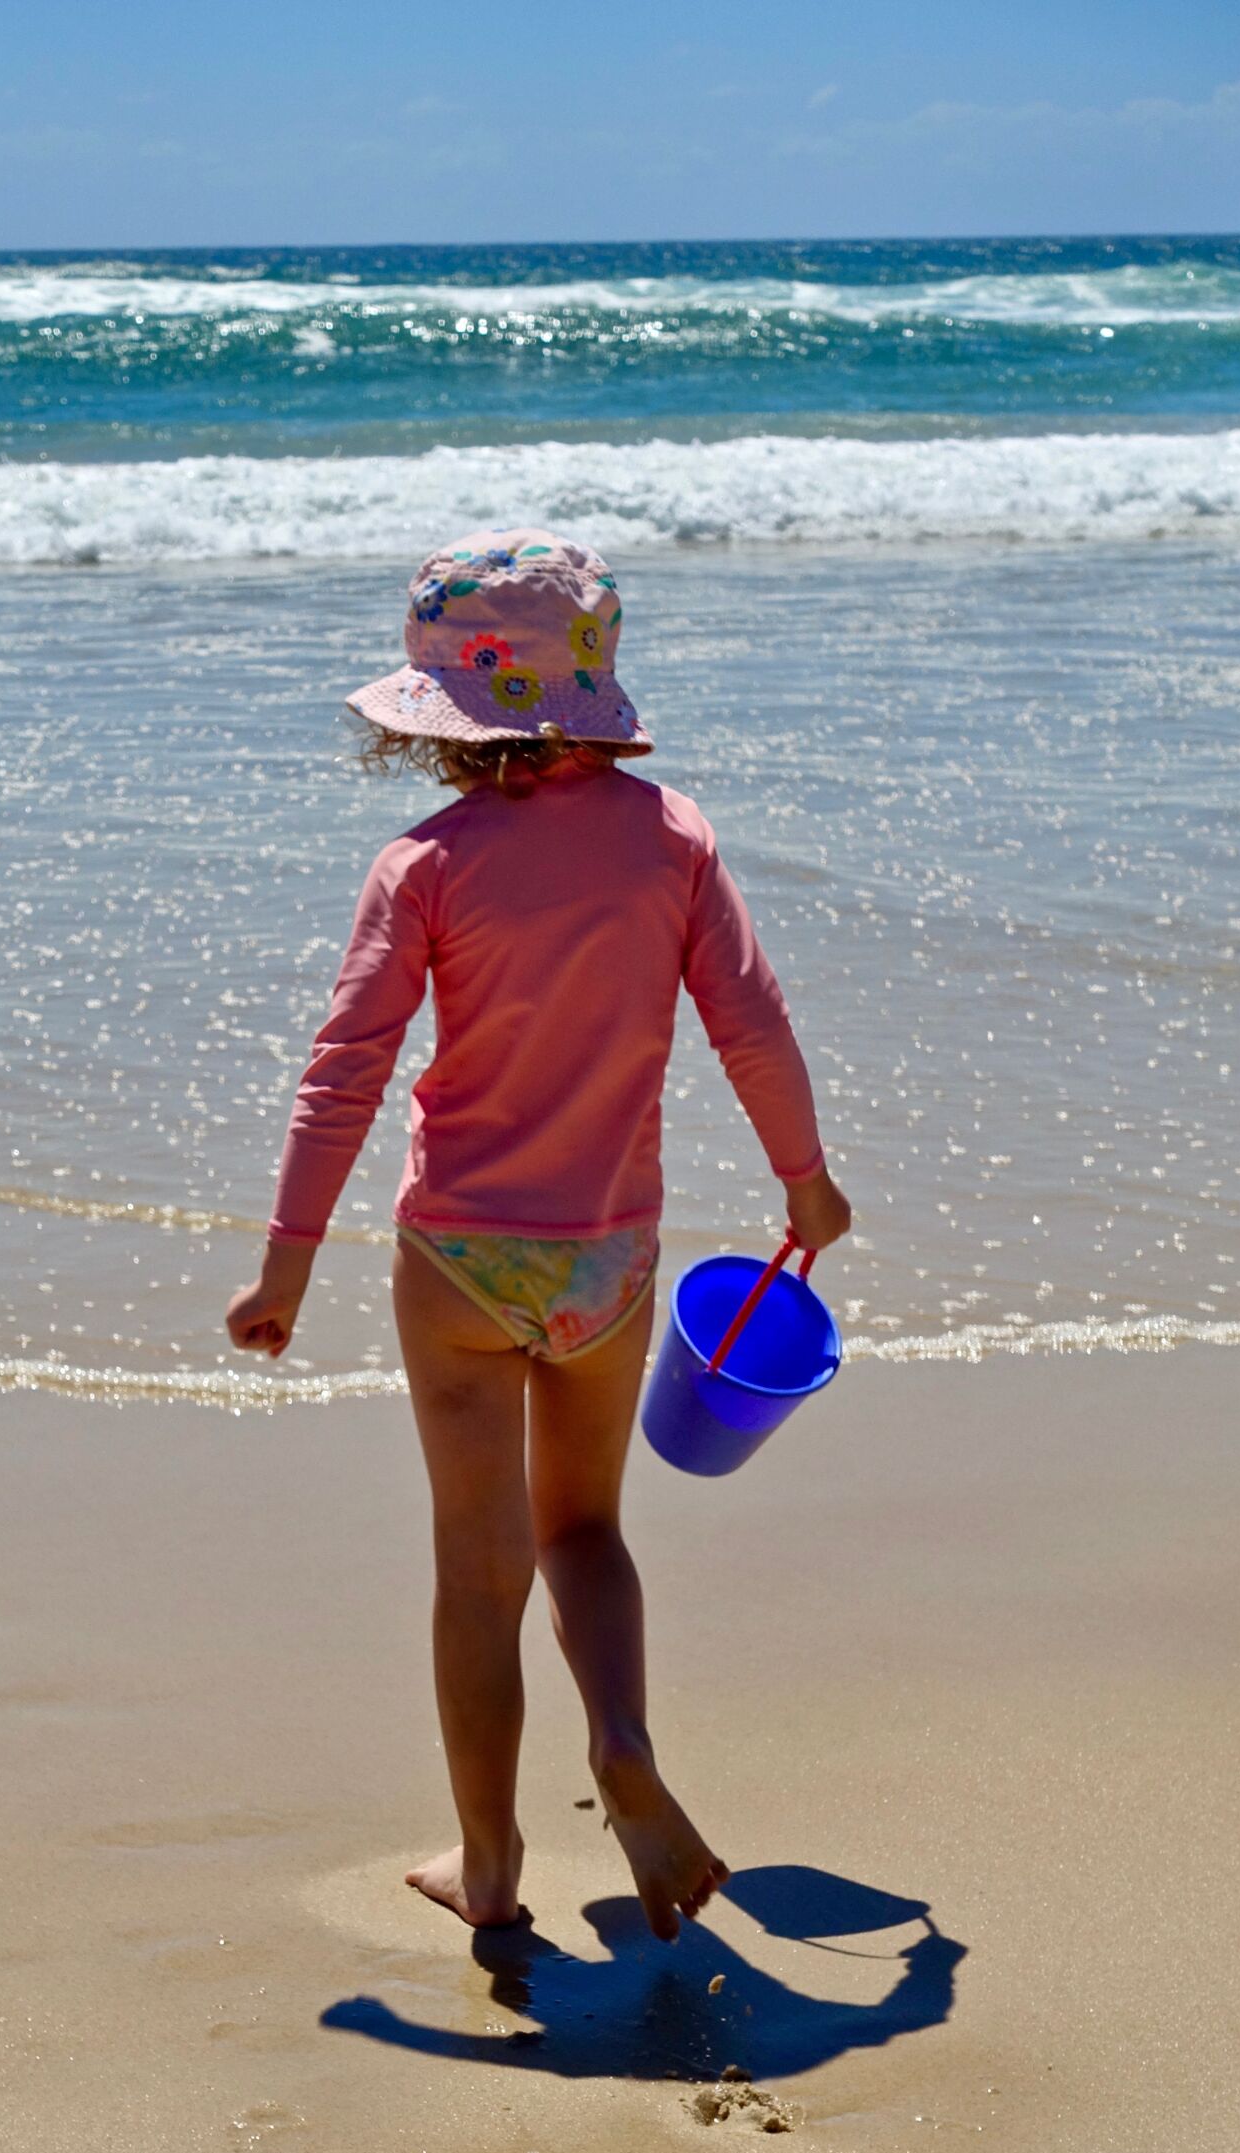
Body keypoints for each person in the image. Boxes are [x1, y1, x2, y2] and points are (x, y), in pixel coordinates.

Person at [226, 530, 850, 1940]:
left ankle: (492, 1864)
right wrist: (805, 1182)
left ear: (447, 717)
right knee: (585, 1528)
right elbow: (752, 1023)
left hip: (457, 1256)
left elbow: (348, 1067)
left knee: (475, 1559)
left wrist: (287, 1261)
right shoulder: (674, 838)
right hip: (608, 1260)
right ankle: (621, 1742)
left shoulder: (426, 863)